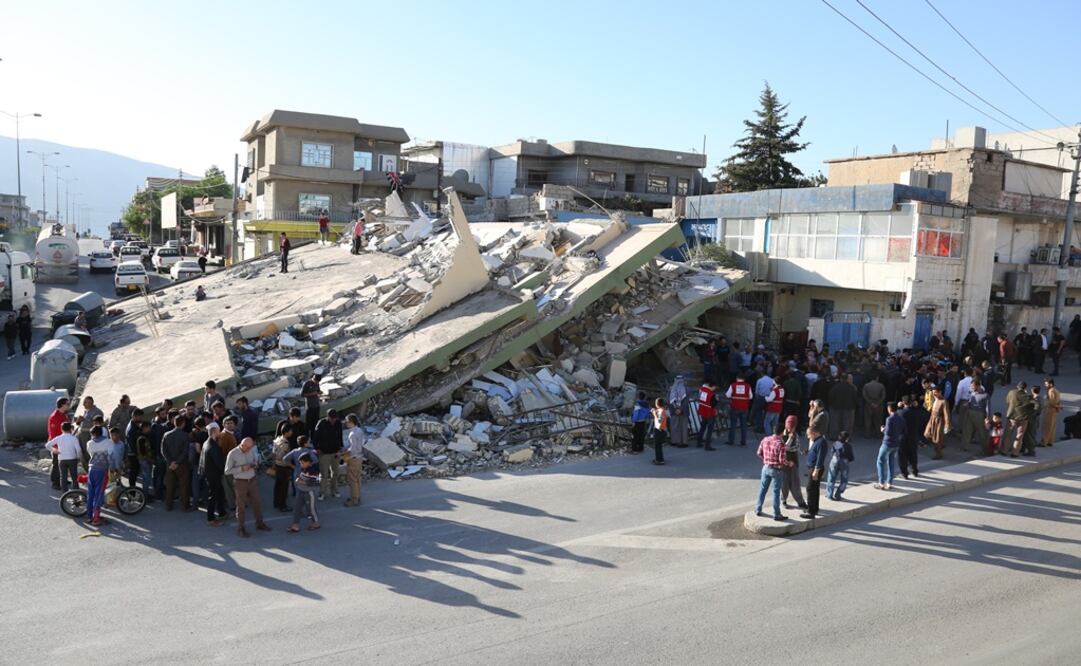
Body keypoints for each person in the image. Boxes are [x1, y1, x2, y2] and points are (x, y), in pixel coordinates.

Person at [226, 437, 271, 537]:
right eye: (247, 448)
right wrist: (242, 468)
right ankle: (241, 528)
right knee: (241, 506)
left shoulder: (251, 450)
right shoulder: (232, 453)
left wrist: (255, 464)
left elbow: (255, 461)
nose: (249, 450)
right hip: (240, 482)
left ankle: (259, 524)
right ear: (242, 445)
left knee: (257, 503)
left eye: (251, 447)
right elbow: (227, 471)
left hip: (252, 480)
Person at [754, 423, 790, 522]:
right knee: (776, 492)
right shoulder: (780, 444)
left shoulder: (765, 439)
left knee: (762, 489)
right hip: (776, 470)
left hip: (766, 467)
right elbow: (782, 460)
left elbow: (759, 453)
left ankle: (758, 509)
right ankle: (777, 514)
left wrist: (766, 460)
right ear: (782, 432)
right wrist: (789, 463)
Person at [161, 414, 193, 511]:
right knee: (184, 485)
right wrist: (177, 462)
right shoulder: (185, 435)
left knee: (170, 486)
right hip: (182, 464)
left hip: (169, 465)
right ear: (183, 423)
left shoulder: (166, 435)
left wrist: (171, 462)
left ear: (174, 423)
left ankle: (168, 505)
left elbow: (163, 450)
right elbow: (185, 451)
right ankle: (185, 506)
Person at [84, 426, 113, 526]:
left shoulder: (89, 443)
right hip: (102, 470)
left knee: (90, 493)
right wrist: (114, 467)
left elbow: (91, 454)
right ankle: (96, 519)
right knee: (99, 494)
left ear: (92, 434)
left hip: (91, 469)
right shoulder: (108, 442)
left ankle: (89, 516)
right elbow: (110, 457)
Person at [200, 423, 227, 527]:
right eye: (219, 431)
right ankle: (210, 519)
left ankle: (222, 513)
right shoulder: (213, 446)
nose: (220, 433)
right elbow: (219, 463)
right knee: (213, 497)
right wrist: (226, 470)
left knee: (220, 493)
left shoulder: (207, 443)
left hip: (210, 474)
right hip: (213, 475)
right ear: (215, 431)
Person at [313, 408, 343, 500]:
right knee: (324, 475)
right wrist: (317, 448)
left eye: (335, 418)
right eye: (332, 418)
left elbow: (340, 436)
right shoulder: (321, 423)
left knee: (335, 473)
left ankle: (334, 490)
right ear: (328, 417)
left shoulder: (338, 423)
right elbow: (315, 437)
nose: (333, 420)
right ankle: (322, 493)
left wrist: (340, 449)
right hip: (324, 453)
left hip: (335, 452)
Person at [288, 453, 321, 533]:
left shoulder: (313, 471)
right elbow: (302, 476)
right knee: (297, 507)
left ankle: (316, 522)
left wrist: (302, 482)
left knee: (310, 509)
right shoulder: (304, 469)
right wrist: (299, 479)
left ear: (308, 462)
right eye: (300, 463)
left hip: (308, 493)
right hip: (301, 491)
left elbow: (315, 482)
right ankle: (295, 524)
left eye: (302, 463)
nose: (301, 465)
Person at [876, 403, 905, 490]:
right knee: (891, 462)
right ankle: (889, 482)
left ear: (889, 409)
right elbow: (903, 430)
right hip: (896, 443)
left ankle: (881, 482)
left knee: (880, 461)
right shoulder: (900, 418)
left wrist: (883, 430)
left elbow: (888, 433)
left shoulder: (889, 419)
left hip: (887, 443)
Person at [780, 415, 807, 510]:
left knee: (795, 483)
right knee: (784, 484)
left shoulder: (796, 435)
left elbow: (797, 447)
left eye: (792, 427)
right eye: (789, 427)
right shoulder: (782, 435)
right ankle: (783, 500)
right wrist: (790, 439)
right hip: (783, 464)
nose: (791, 429)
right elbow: (784, 448)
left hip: (793, 462)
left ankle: (800, 502)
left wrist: (801, 451)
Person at [802, 426, 828, 519]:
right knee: (814, 489)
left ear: (814, 433)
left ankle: (811, 511)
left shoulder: (821, 442)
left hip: (815, 468)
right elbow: (815, 452)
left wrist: (816, 471)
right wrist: (807, 452)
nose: (808, 437)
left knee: (810, 489)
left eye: (809, 435)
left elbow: (820, 458)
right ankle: (814, 508)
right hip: (812, 467)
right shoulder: (817, 441)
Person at [47, 422, 82, 492]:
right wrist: (79, 457)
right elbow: (78, 449)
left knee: (63, 477)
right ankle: (76, 492)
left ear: (61, 429)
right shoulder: (74, 438)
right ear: (70, 429)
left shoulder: (59, 438)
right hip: (72, 459)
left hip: (62, 459)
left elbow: (47, 445)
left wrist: (54, 450)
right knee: (74, 476)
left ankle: (64, 492)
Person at [271, 423, 297, 512]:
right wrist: (292, 466)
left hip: (277, 465)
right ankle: (282, 506)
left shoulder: (278, 439)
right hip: (283, 467)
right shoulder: (285, 443)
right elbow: (283, 458)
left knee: (277, 486)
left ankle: (276, 503)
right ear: (286, 432)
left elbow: (274, 454)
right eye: (290, 431)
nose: (292, 432)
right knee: (284, 487)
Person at [342, 414, 366, 507]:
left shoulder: (352, 434)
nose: (346, 423)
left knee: (352, 480)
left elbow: (353, 449)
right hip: (359, 457)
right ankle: (357, 496)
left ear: (351, 422)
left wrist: (345, 454)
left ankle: (354, 499)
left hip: (353, 458)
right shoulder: (359, 430)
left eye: (347, 422)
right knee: (357, 479)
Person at [46, 397, 70, 490]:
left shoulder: (63, 415)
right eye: (67, 404)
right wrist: (56, 447)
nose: (68, 406)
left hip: (64, 443)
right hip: (57, 445)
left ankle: (63, 479)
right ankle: (55, 482)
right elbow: (53, 434)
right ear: (62, 405)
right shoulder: (54, 417)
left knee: (64, 463)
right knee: (56, 464)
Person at [74, 396, 103, 467]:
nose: (83, 404)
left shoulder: (97, 412)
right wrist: (78, 421)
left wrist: (84, 420)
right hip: (81, 435)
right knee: (83, 455)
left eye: (85, 402)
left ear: (91, 403)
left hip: (89, 436)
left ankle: (91, 468)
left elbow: (97, 424)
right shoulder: (86, 411)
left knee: (88, 454)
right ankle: (87, 469)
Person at [827, 374, 858, 439]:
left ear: (840, 379)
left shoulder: (835, 387)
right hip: (848, 408)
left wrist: (830, 404)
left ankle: (834, 436)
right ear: (847, 379)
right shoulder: (851, 388)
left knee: (835, 423)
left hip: (835, 407)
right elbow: (855, 398)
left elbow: (830, 397)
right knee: (846, 424)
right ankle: (845, 437)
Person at [826, 431, 855, 501]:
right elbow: (851, 457)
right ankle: (838, 494)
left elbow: (832, 452)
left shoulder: (836, 444)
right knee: (844, 479)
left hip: (834, 460)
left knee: (831, 477)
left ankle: (829, 494)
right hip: (844, 462)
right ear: (847, 438)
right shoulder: (848, 446)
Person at [961, 381, 989, 453]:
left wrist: (987, 418)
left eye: (973, 386)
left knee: (982, 432)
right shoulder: (972, 393)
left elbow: (987, 407)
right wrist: (967, 404)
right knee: (967, 430)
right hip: (970, 412)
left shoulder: (985, 395)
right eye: (971, 386)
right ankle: (965, 447)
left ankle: (985, 449)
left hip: (979, 414)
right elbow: (970, 401)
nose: (971, 388)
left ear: (978, 386)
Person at [725, 374, 752, 447]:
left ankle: (731, 441)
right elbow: (751, 396)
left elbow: (727, 395)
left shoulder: (733, 385)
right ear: (744, 379)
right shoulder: (748, 386)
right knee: (743, 425)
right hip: (744, 408)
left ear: (737, 378)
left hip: (734, 407)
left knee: (733, 424)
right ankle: (743, 442)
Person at [924, 388, 951, 460]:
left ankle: (939, 453)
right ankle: (940, 445)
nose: (934, 394)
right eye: (933, 392)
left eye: (935, 392)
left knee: (937, 438)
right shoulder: (934, 400)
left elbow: (946, 414)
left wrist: (947, 425)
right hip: (932, 419)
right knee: (927, 434)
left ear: (940, 392)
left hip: (939, 421)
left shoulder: (944, 401)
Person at [899, 397, 921, 479]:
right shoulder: (916, 412)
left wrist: (899, 407)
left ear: (903, 402)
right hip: (914, 436)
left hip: (903, 437)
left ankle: (904, 473)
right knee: (913, 454)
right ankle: (914, 470)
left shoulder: (900, 412)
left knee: (902, 455)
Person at [667, 377, 691, 448]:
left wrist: (676, 409)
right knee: (683, 426)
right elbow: (686, 401)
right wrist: (680, 409)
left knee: (675, 426)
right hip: (684, 410)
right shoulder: (686, 389)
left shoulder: (671, 389)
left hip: (674, 411)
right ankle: (684, 442)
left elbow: (669, 400)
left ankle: (675, 441)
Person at [695, 381, 717, 449]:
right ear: (712, 386)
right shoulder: (711, 394)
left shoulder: (703, 390)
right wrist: (717, 400)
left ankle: (699, 442)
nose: (715, 389)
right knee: (710, 429)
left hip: (703, 412)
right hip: (709, 413)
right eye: (715, 387)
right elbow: (713, 405)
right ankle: (707, 445)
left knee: (703, 427)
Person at [302, 373, 322, 437]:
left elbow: (318, 391)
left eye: (318, 382)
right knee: (308, 423)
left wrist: (319, 392)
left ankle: (314, 436)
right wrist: (312, 393)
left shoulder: (317, 384)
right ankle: (307, 437)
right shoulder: (307, 383)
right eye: (316, 381)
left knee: (316, 422)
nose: (316, 383)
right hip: (309, 406)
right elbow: (302, 394)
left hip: (316, 405)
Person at [1042, 377, 1061, 446]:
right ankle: (1050, 441)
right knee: (1052, 427)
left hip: (1050, 410)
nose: (1045, 385)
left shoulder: (1051, 391)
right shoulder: (1056, 390)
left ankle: (1044, 442)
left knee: (1047, 426)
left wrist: (1058, 407)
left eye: (1046, 384)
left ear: (1051, 384)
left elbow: (1051, 402)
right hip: (1053, 411)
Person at [650, 398, 668, 466]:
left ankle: (659, 460)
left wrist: (654, 414)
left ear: (657, 404)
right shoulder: (661, 410)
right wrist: (654, 411)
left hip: (659, 430)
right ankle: (659, 458)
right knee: (658, 446)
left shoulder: (661, 411)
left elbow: (659, 421)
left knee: (657, 446)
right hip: (661, 430)